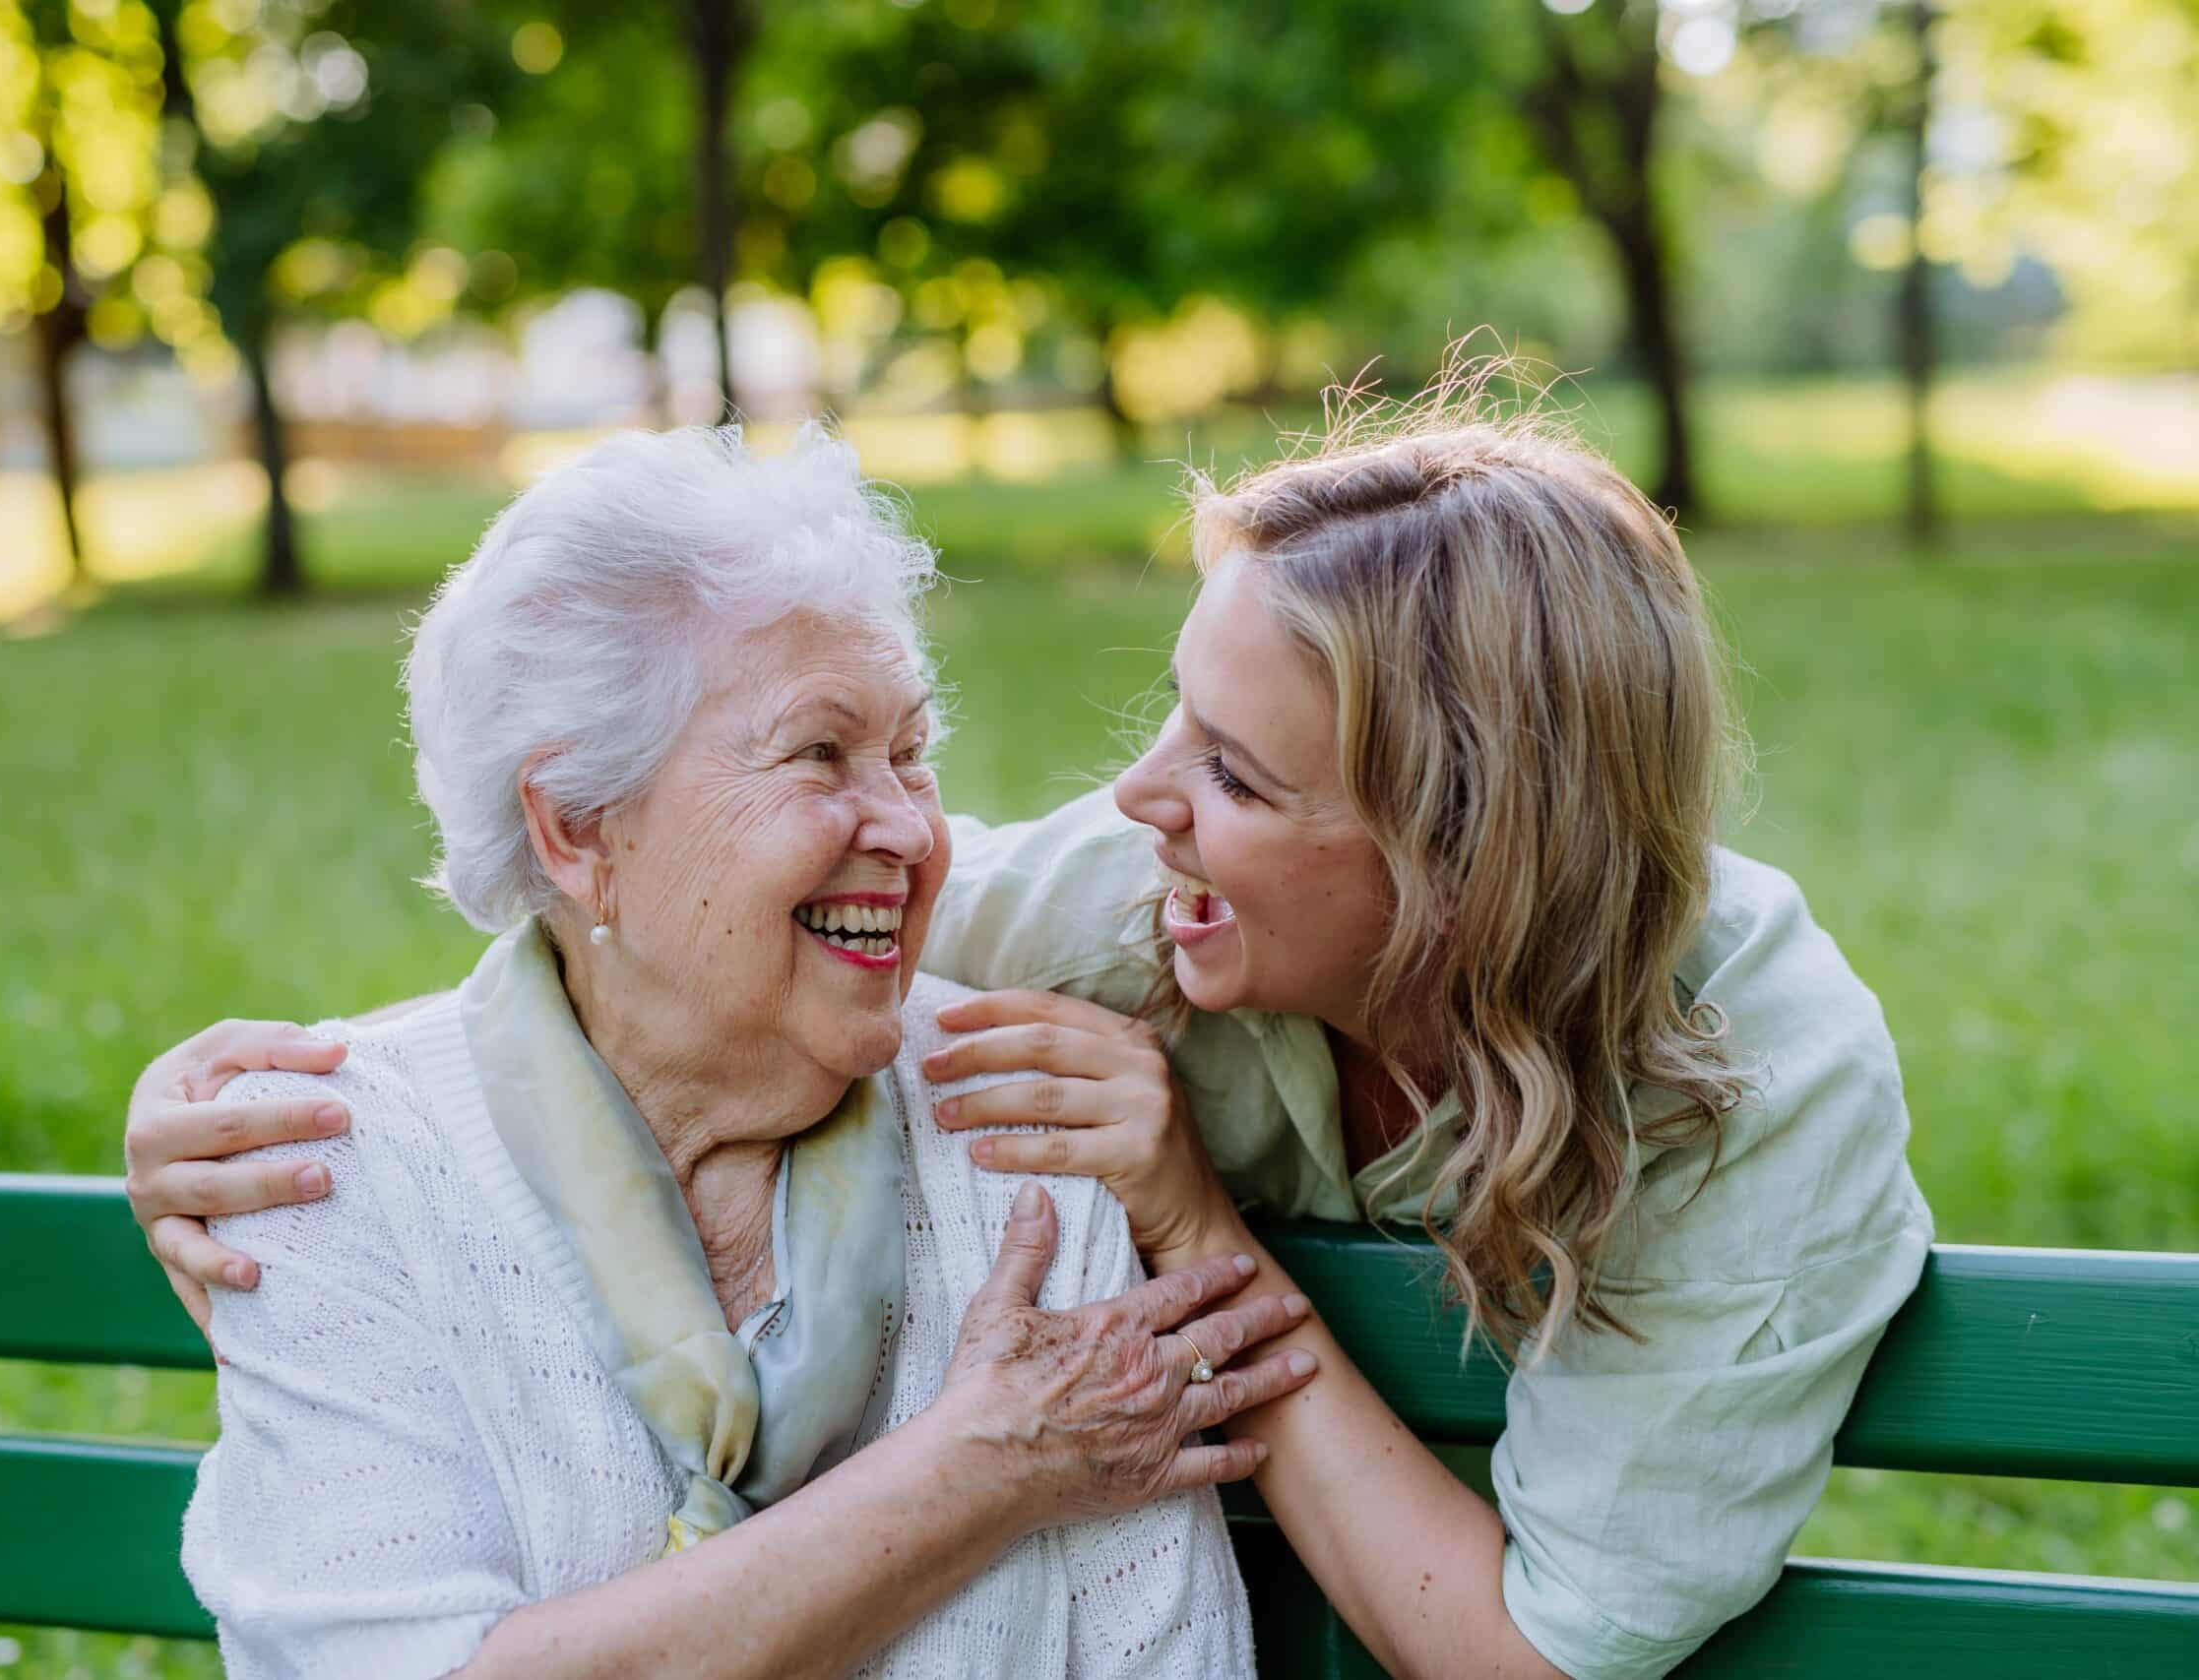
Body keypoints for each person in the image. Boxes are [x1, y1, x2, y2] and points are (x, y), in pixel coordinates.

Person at [131, 383, 1933, 1680]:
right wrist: (221, 1119)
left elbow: (1514, 1656)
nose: (1137, 797)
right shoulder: (1109, 913)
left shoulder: (1749, 1088)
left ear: (1458, 858)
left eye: (1232, 774)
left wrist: (1190, 1229)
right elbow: (680, 930)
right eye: (826, 753)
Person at [157, 426, 1313, 1679]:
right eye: (820, 753)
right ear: (577, 826)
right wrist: (985, 1465)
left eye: (911, 754)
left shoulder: (1021, 1122)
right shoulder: (323, 1167)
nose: (910, 829)